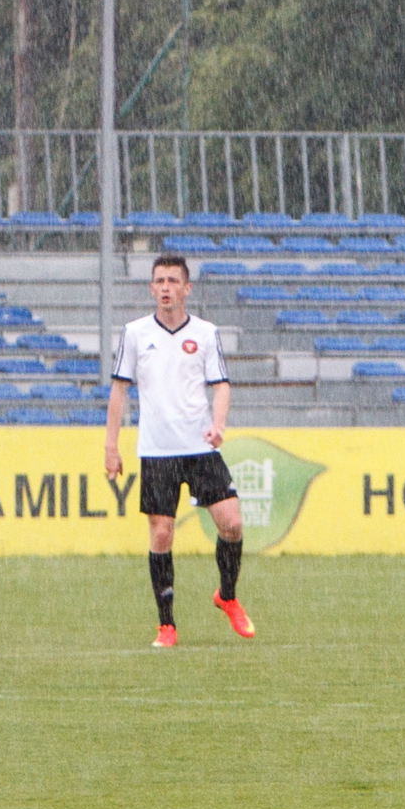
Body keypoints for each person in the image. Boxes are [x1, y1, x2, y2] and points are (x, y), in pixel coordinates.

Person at [105, 253, 253, 649]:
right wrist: (111, 446)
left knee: (232, 524)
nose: (166, 287)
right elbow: (119, 390)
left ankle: (227, 595)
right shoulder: (135, 333)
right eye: (159, 281)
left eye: (173, 280)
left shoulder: (205, 333)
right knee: (162, 533)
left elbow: (221, 384)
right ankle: (166, 625)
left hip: (199, 447)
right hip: (157, 451)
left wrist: (218, 425)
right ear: (152, 288)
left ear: (187, 288)